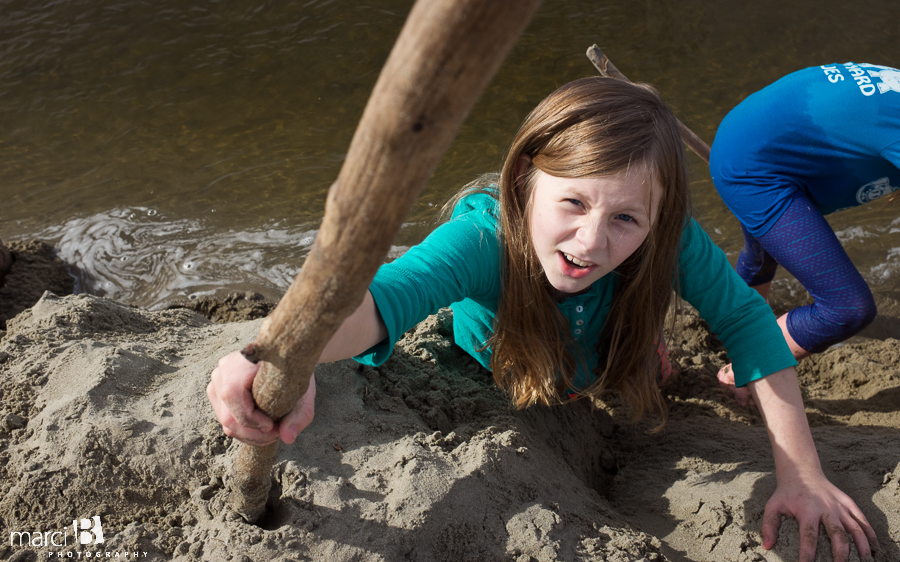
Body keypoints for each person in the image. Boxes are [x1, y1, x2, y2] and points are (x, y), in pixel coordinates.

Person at [208, 77, 878, 561]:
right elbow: (380, 303)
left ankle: (637, 345)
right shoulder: (484, 238)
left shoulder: (669, 238)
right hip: (496, 365)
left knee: (643, 363)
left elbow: (749, 324)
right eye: (574, 203)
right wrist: (278, 352)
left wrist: (802, 475)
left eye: (625, 218)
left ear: (659, 216)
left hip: (607, 354)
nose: (589, 241)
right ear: (526, 177)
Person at [710, 62, 900, 401]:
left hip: (754, 133)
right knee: (848, 308)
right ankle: (747, 365)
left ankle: (731, 327)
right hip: (755, 167)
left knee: (763, 252)